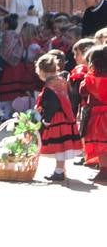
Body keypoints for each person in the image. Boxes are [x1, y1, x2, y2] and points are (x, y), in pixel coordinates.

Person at [35, 53, 81, 183]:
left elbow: (51, 105)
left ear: (43, 71)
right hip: (66, 117)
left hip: (57, 119)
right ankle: (61, 170)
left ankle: (59, 171)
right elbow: (72, 98)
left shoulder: (50, 86)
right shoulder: (62, 81)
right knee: (63, 145)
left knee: (59, 146)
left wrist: (46, 120)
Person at [80, 44, 107, 183]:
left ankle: (104, 171)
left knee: (101, 146)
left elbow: (82, 91)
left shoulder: (90, 78)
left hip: (98, 116)